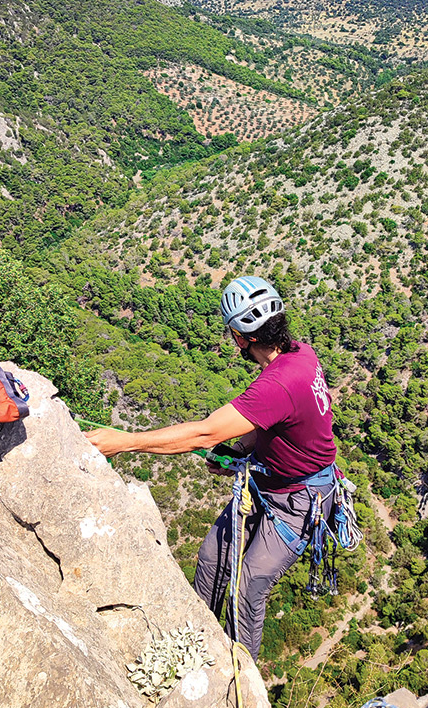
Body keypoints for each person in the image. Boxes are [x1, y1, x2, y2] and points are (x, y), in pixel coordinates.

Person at [85, 275, 337, 659]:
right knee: (211, 559)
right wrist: (239, 451)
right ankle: (194, 647)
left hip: (300, 500)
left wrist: (126, 441)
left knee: (248, 586)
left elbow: (202, 435)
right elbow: (281, 420)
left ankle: (239, 681)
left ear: (240, 336)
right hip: (272, 483)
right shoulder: (301, 354)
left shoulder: (277, 384)